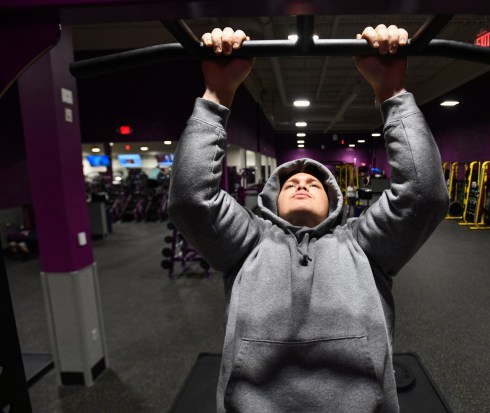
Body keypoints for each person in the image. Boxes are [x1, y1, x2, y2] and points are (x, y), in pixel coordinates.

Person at [168, 24, 449, 413]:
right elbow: (189, 200)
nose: (301, 183)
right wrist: (217, 94)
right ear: (272, 201)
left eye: (313, 182)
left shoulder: (363, 245)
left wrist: (392, 92)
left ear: (333, 199)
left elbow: (424, 195)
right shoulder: (247, 246)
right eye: (290, 183)